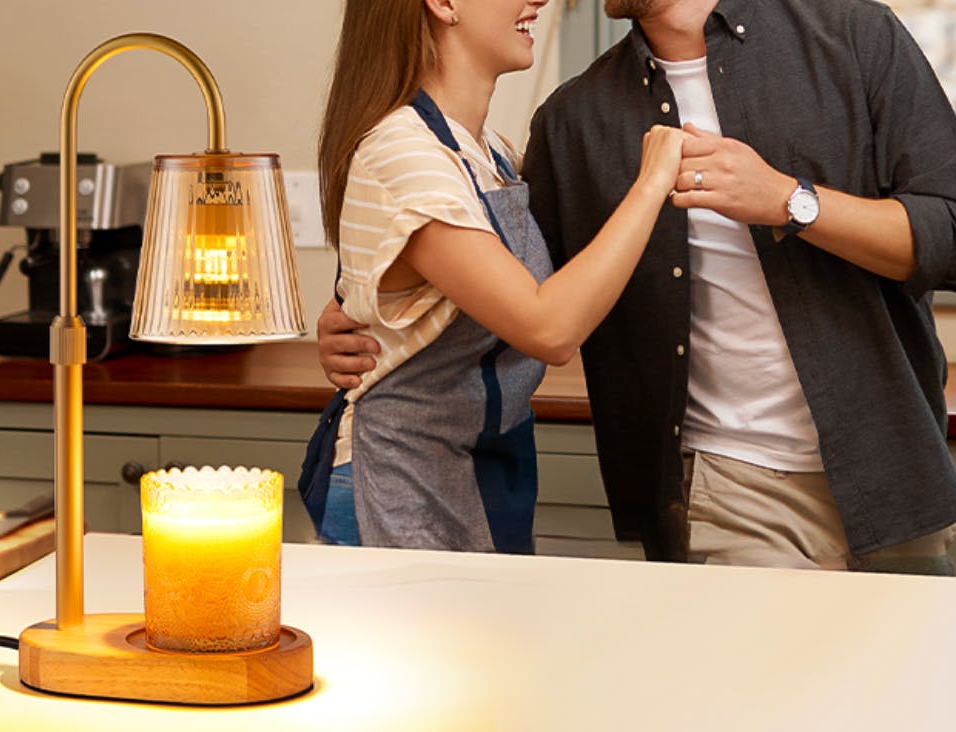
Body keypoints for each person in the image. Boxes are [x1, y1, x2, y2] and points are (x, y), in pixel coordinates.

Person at [318, 0, 956, 573]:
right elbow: (527, 297)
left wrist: (789, 201)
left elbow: (947, 233)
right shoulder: (572, 120)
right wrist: (356, 306)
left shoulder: (856, 36)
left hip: (897, 467)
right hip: (726, 488)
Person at [307, 0, 683, 552]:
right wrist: (653, 181)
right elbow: (549, 327)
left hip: (479, 475)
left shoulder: (490, 153)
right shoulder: (402, 153)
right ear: (444, 4)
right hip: (402, 484)